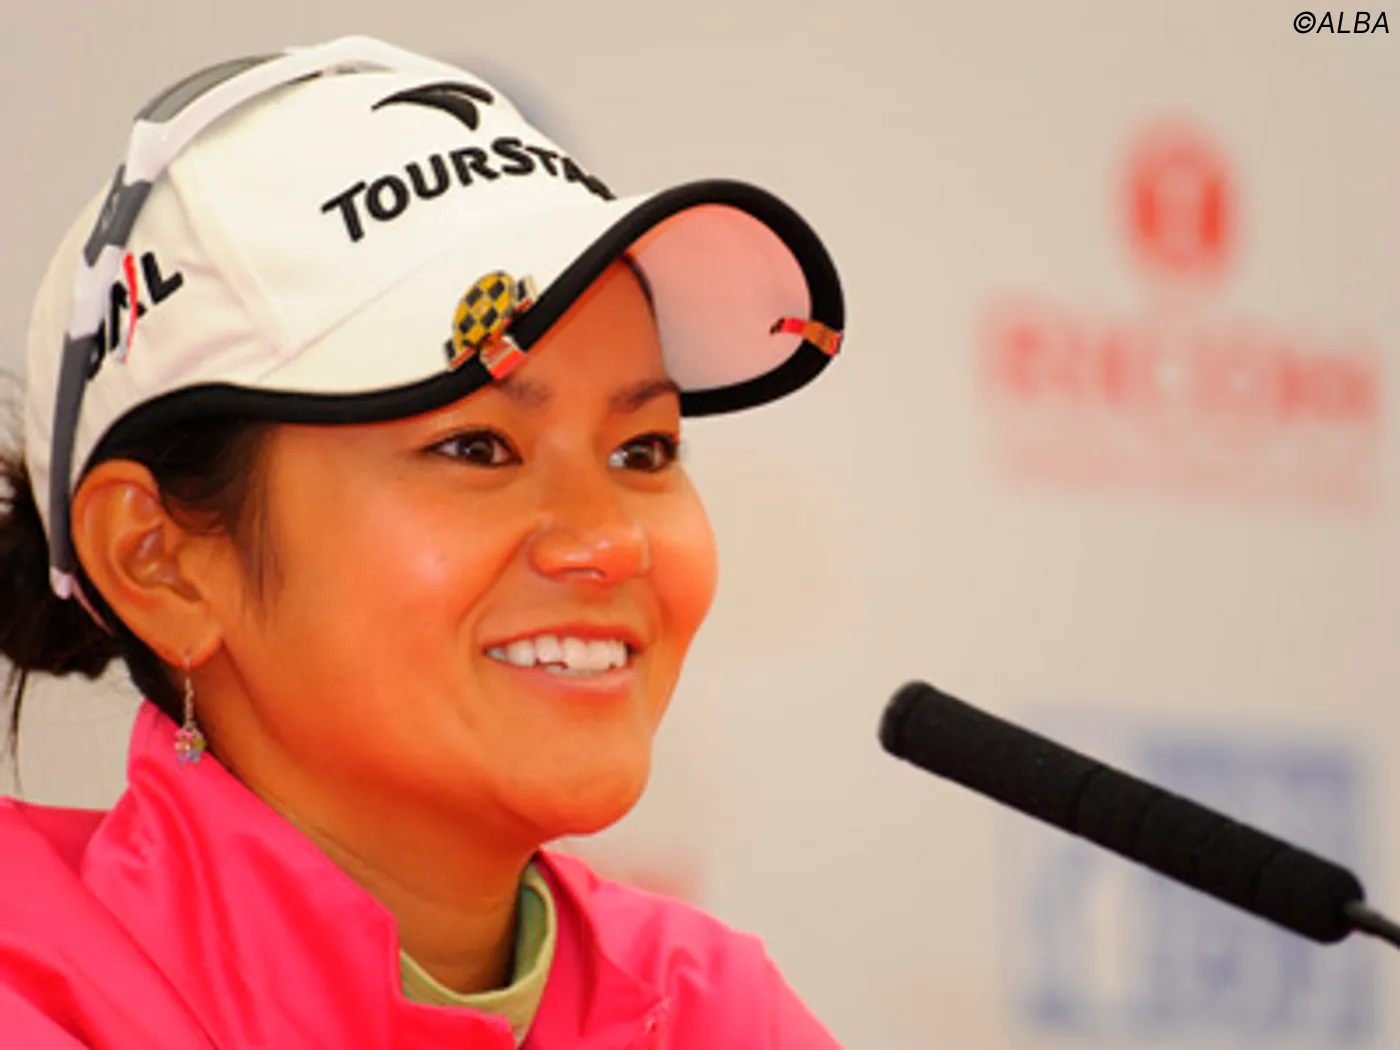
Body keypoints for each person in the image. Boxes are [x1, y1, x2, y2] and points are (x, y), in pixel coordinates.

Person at [0, 35, 846, 1050]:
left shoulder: (711, 1011)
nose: (610, 541)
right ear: (160, 561)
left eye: (644, 450)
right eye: (477, 447)